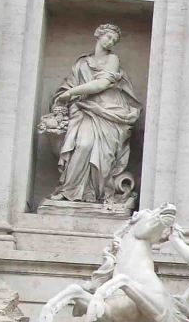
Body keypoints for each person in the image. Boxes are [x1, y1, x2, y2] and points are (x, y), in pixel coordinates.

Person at [42, 24, 142, 206]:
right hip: (84, 110)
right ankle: (69, 191)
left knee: (103, 155)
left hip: (109, 112)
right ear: (98, 35)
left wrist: (70, 93)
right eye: (108, 37)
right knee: (83, 144)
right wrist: (63, 96)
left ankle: (95, 195)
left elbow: (101, 84)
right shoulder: (81, 63)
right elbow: (68, 85)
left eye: (114, 40)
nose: (111, 41)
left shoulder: (113, 59)